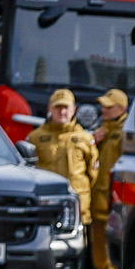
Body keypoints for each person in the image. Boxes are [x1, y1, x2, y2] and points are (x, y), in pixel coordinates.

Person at [32, 88, 99, 225]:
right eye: (58, 107)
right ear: (50, 108)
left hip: (77, 206)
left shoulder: (85, 139)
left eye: (66, 107)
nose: (62, 112)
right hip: (46, 204)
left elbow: (93, 173)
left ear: (74, 110)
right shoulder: (35, 138)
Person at [88, 87, 128, 269]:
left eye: (109, 107)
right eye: (103, 106)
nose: (104, 110)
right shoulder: (103, 132)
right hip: (98, 203)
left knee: (114, 257)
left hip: (113, 204)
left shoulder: (123, 134)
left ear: (121, 109)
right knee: (101, 257)